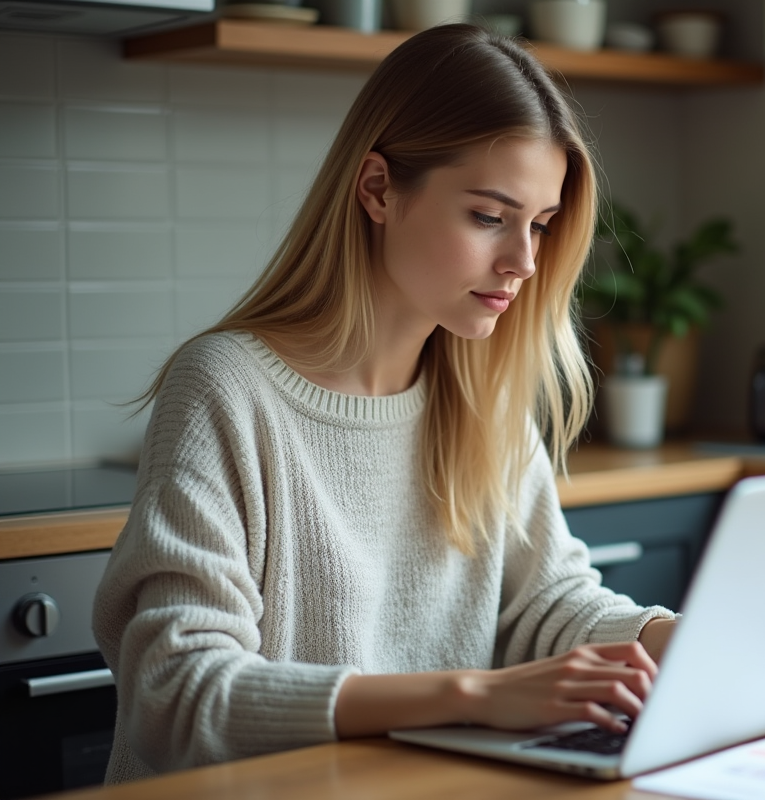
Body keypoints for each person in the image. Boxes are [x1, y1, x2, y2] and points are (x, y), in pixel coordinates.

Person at [92, 24, 677, 784]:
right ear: (377, 190)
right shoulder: (227, 386)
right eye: (488, 216)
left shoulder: (481, 393)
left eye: (539, 225)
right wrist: (472, 695)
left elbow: (552, 605)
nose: (524, 262)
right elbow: (177, 695)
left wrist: (686, 637)